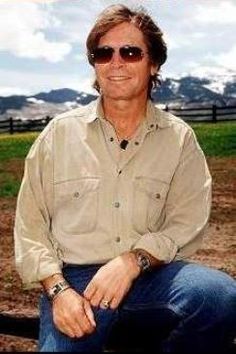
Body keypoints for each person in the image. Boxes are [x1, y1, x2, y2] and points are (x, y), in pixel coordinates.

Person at [14, 4, 236, 353]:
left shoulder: (179, 139)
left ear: (154, 64)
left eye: (130, 52)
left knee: (219, 296)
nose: (116, 62)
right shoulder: (58, 135)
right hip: (74, 285)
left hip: (150, 278)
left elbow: (187, 222)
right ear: (94, 64)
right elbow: (30, 226)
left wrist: (134, 260)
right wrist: (58, 291)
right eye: (103, 53)